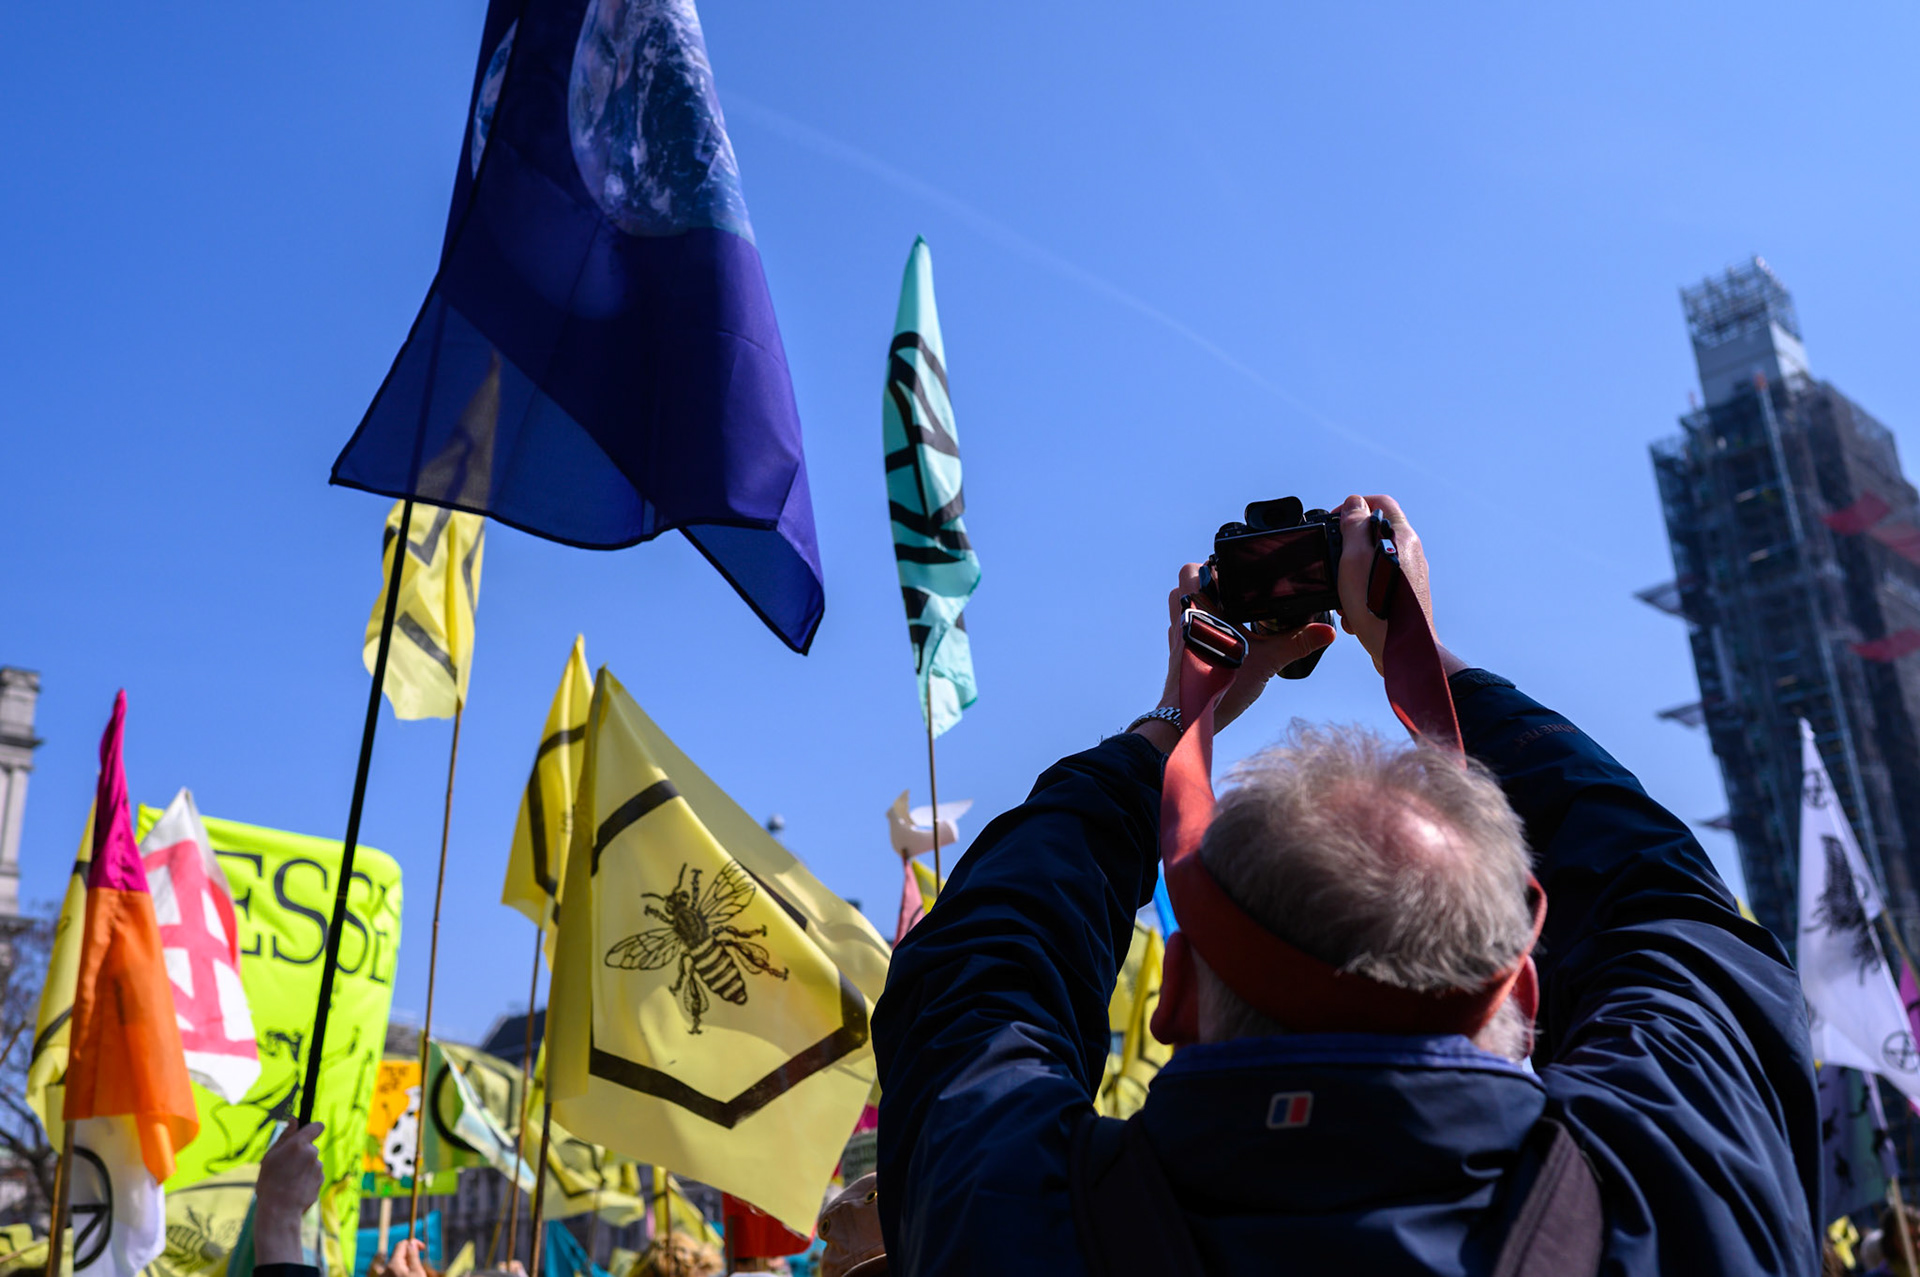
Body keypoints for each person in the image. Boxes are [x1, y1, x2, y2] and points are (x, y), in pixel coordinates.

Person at [873, 494, 1820, 1274]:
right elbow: (1665, 901)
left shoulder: (1014, 1216)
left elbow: (984, 959)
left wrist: (1180, 713)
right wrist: (1415, 650)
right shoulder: (1674, 1190)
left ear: (1177, 993)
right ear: (1526, 993)